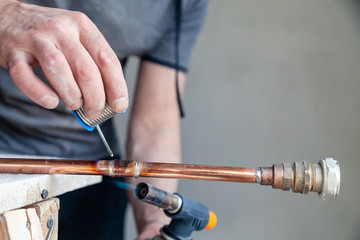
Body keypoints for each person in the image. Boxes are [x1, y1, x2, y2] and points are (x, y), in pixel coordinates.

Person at [0, 0, 208, 239]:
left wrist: (156, 222)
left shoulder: (186, 4)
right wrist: (6, 14)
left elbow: (154, 124)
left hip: (93, 179)